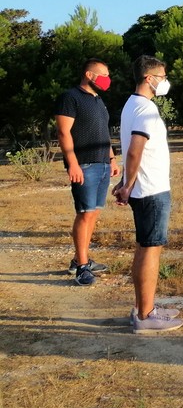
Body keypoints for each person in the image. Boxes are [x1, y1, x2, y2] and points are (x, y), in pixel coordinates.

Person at [113, 56, 183, 334]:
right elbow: (134, 150)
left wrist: (126, 184)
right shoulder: (146, 110)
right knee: (151, 250)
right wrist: (128, 185)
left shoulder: (131, 105)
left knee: (144, 247)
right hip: (151, 190)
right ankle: (146, 315)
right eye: (162, 76)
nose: (165, 81)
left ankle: (144, 306)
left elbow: (131, 148)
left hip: (144, 189)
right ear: (148, 78)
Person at [54, 58, 121, 285]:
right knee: (84, 213)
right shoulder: (70, 97)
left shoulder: (98, 100)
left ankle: (79, 259)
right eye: (103, 74)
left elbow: (103, 132)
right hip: (84, 165)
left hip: (102, 164)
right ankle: (83, 267)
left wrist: (111, 159)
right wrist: (72, 163)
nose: (107, 79)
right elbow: (64, 132)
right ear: (89, 74)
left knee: (93, 213)